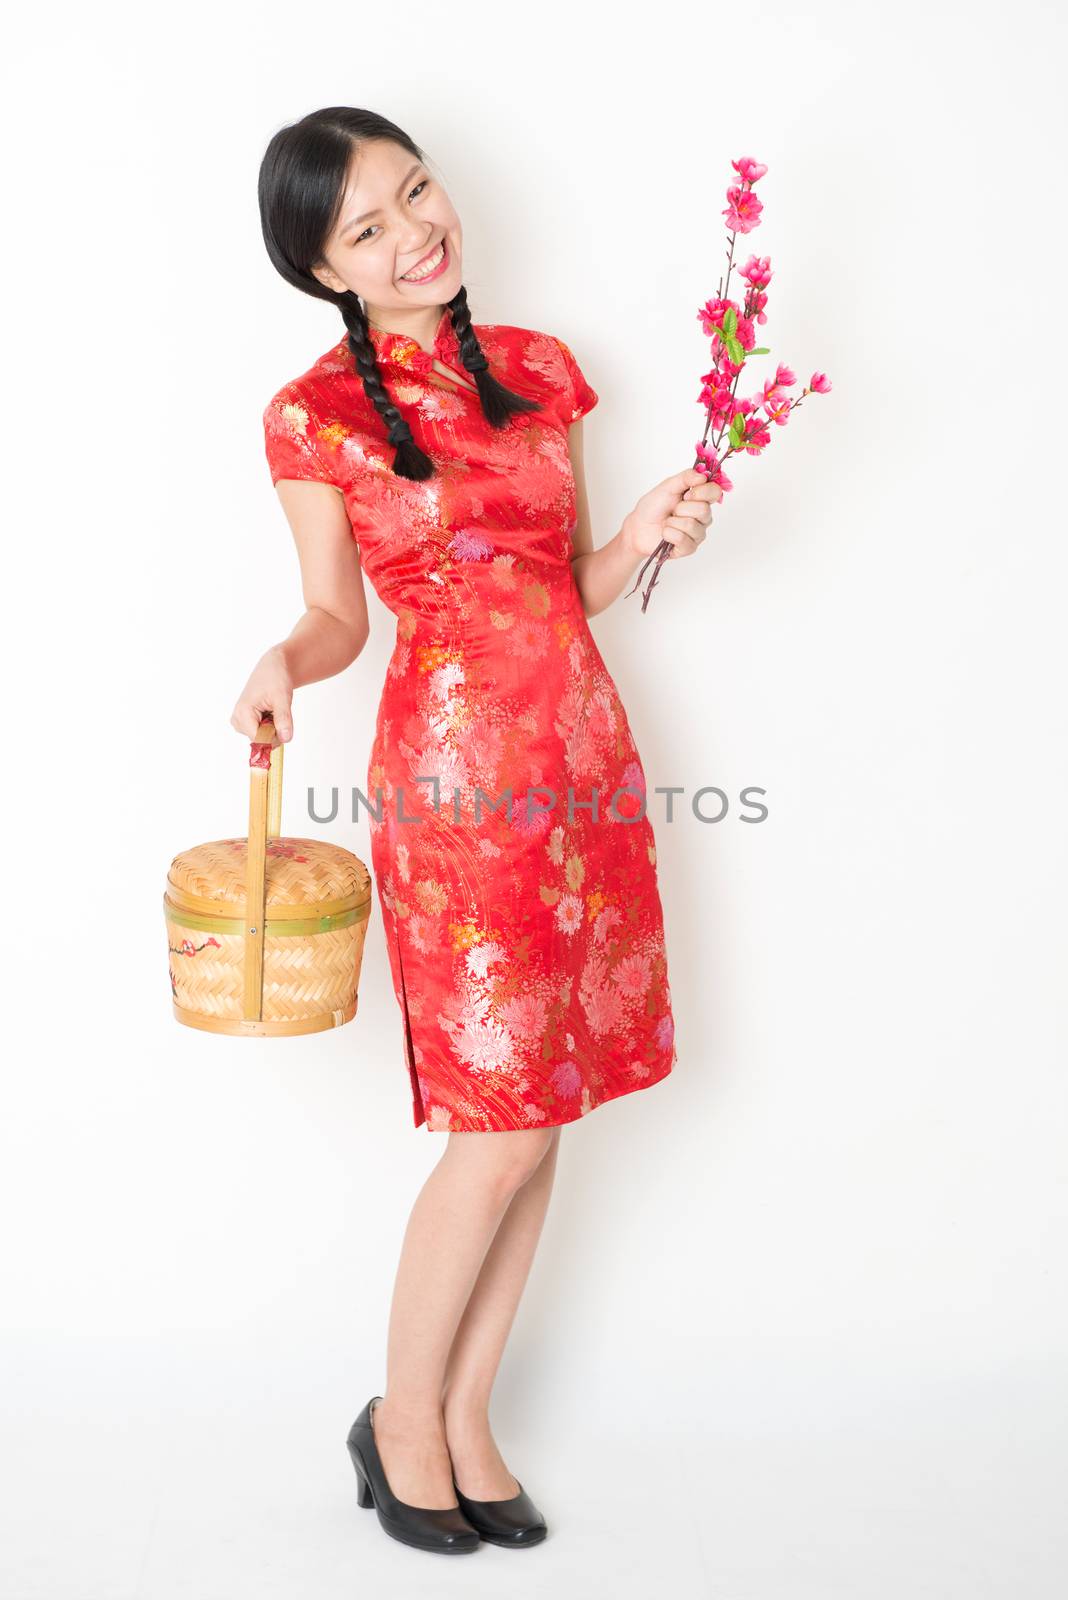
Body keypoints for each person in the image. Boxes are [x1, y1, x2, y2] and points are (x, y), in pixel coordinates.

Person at [233, 106, 720, 1556]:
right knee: (494, 1128)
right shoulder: (313, 414)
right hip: (454, 785)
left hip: (579, 751)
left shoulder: (538, 370)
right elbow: (337, 613)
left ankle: (466, 1417)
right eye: (365, 230)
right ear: (326, 270)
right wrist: (282, 663)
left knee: (545, 1109)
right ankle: (398, 1420)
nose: (412, 233)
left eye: (415, 192)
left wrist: (641, 536)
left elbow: (550, 579)